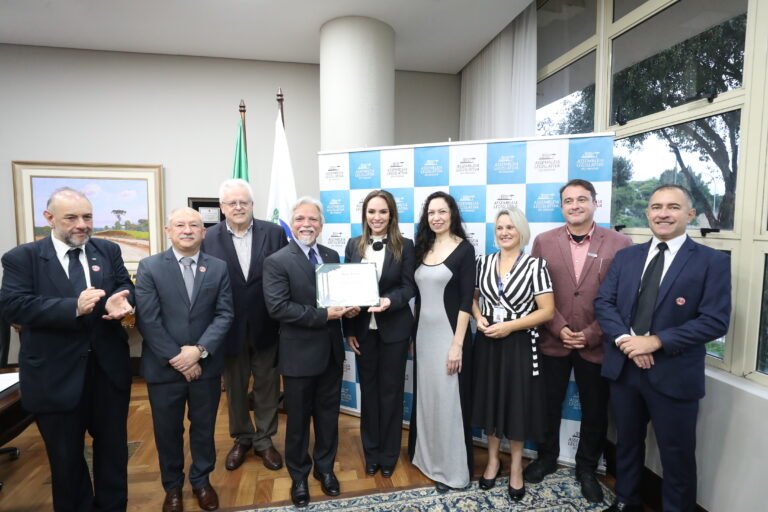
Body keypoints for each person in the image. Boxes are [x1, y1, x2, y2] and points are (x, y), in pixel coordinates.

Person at [594, 184, 731, 512]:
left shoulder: (712, 262)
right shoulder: (626, 257)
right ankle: (627, 500)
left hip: (674, 374)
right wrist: (629, 343)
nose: (663, 214)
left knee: (677, 455)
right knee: (627, 443)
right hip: (625, 370)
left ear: (690, 214)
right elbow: (604, 303)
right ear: (647, 213)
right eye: (656, 207)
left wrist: (655, 341)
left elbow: (714, 321)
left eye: (673, 207)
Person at [0, 187, 135, 511]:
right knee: (66, 462)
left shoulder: (107, 250)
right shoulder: (23, 258)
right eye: (71, 218)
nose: (82, 225)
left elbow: (124, 285)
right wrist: (72, 307)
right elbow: (13, 306)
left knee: (114, 455)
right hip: (54, 378)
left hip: (108, 375)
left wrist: (122, 300)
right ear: (49, 218)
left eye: (87, 217)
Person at [526, 179, 632, 502]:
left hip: (597, 344)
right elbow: (536, 290)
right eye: (568, 201)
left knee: (595, 410)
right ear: (561, 207)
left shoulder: (620, 243)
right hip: (552, 339)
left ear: (595, 203)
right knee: (547, 405)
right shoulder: (543, 241)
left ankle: (586, 468)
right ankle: (546, 457)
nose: (575, 205)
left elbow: (623, 299)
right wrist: (558, 327)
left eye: (581, 199)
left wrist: (590, 334)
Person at [135, 207, 234, 512]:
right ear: (169, 231)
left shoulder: (218, 267)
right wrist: (178, 357)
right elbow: (148, 319)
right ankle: (173, 487)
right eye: (180, 225)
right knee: (168, 431)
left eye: (194, 225)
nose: (187, 230)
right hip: (164, 369)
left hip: (205, 367)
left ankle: (202, 481)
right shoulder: (150, 267)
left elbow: (225, 314)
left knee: (203, 428)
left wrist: (198, 351)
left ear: (204, 232)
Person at [263, 197, 351, 508]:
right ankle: (299, 476)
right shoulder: (277, 261)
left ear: (321, 224)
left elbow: (336, 297)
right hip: (298, 356)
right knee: (298, 422)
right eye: (300, 219)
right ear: (292, 223)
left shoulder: (331, 255)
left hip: (331, 353)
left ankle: (324, 469)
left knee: (328, 418)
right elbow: (278, 308)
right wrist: (325, 315)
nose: (306, 224)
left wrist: (348, 307)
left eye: (313, 219)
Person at [200, 179, 287, 472]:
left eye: (244, 202)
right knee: (235, 387)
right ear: (222, 207)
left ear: (252, 205)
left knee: (267, 385)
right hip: (228, 326)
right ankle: (242, 437)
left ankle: (264, 439)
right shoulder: (208, 238)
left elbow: (285, 273)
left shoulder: (274, 233)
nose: (238, 207)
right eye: (232, 202)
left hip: (267, 323)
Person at [472, 208, 554, 501]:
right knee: (491, 401)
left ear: (521, 231)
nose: (505, 232)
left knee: (516, 405)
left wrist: (510, 326)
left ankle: (517, 466)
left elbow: (547, 311)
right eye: (500, 228)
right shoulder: (483, 262)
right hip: (488, 343)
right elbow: (472, 298)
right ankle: (493, 460)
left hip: (518, 343)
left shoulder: (536, 266)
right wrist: (478, 317)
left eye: (510, 227)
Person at [343, 190, 416, 478]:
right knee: (369, 392)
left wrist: (389, 301)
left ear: (391, 214)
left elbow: (409, 287)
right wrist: (349, 329)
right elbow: (347, 289)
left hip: (394, 330)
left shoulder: (405, 245)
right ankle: (371, 453)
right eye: (371, 211)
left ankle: (388, 455)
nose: (377, 217)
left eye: (383, 211)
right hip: (363, 331)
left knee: (391, 393)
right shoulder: (353, 244)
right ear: (365, 215)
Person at [407, 191, 475, 493]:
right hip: (423, 337)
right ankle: (426, 458)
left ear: (452, 214)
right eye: (431, 212)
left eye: (442, 212)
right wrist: (412, 336)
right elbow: (418, 299)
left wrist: (457, 345)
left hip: (450, 337)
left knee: (449, 403)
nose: (436, 217)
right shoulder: (421, 247)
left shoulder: (464, 250)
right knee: (428, 399)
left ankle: (451, 470)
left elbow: (465, 301)